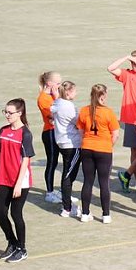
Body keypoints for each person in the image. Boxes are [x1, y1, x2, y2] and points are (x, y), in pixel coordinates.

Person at [0, 99, 34, 263]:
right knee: (0, 213)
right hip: (4, 178)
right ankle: (12, 242)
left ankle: (22, 249)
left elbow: (25, 160)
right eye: (5, 112)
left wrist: (18, 184)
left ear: (20, 113)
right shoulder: (3, 131)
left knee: (16, 214)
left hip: (20, 182)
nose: (7, 115)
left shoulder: (25, 134)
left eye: (10, 112)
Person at [108, 50, 136, 194]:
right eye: (132, 62)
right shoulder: (127, 74)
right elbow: (110, 68)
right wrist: (126, 57)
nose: (134, 64)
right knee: (135, 150)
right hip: (131, 119)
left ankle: (127, 175)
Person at [75, 84, 120, 224]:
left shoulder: (84, 110)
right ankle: (106, 215)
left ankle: (85, 213)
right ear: (103, 96)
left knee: (88, 181)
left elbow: (80, 131)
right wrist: (107, 145)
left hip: (87, 148)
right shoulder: (108, 112)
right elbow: (115, 134)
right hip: (104, 150)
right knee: (104, 183)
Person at [50, 81, 82, 218]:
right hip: (72, 143)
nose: (76, 93)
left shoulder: (57, 103)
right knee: (68, 176)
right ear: (68, 92)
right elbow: (79, 123)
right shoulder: (69, 107)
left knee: (68, 174)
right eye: (74, 91)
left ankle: (66, 201)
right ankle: (67, 207)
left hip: (62, 142)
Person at [37, 71, 62, 204]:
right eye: (57, 83)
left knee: (60, 162)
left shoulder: (54, 94)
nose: (60, 85)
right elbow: (54, 117)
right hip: (50, 133)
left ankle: (61, 190)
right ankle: (49, 192)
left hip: (59, 132)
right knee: (52, 162)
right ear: (49, 83)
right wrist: (58, 97)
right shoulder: (43, 98)